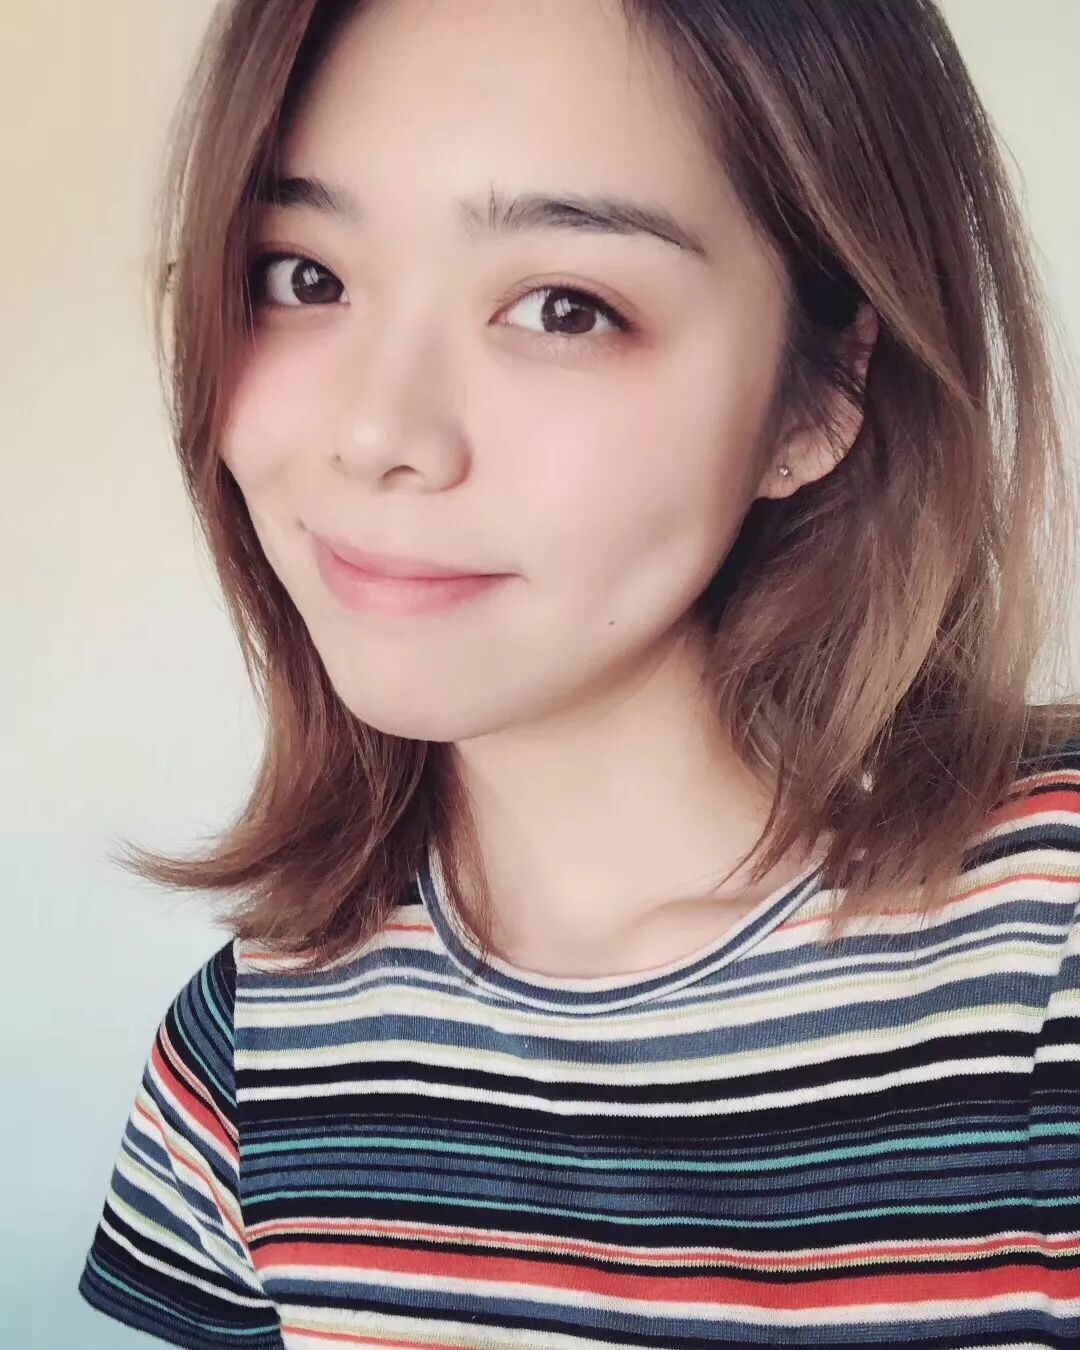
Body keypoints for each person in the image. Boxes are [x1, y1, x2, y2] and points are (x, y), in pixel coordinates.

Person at [79, 0, 1080, 1345]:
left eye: (565, 307)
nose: (377, 431)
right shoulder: (249, 1062)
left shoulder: (1047, 954)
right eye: (301, 275)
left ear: (820, 393)